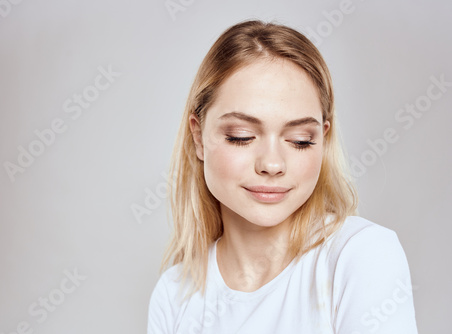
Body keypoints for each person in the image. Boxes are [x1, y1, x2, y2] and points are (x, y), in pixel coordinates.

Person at [147, 19, 418, 334]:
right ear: (198, 137)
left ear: (323, 139)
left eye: (300, 140)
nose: (272, 164)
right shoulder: (175, 293)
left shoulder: (362, 255)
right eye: (241, 136)